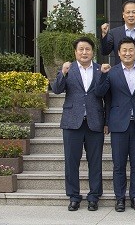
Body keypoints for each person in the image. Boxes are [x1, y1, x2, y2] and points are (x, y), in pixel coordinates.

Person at [52, 36, 105, 212]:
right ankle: (74, 197)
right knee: (71, 162)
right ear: (75, 52)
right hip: (72, 122)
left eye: (87, 49)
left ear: (92, 52)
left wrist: (106, 122)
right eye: (81, 49)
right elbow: (57, 89)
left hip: (94, 122)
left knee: (95, 162)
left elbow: (106, 96)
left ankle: (94, 196)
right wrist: (63, 72)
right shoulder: (69, 69)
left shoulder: (100, 69)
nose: (84, 52)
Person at [95, 37, 135, 213]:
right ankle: (120, 198)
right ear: (118, 53)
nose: (127, 53)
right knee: (119, 165)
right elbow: (101, 93)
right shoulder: (111, 72)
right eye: (124, 50)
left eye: (131, 50)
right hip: (118, 124)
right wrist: (103, 75)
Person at [100, 0, 135, 65]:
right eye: (128, 12)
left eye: (134, 12)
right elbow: (105, 52)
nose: (131, 15)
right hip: (120, 70)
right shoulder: (114, 33)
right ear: (123, 15)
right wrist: (104, 35)